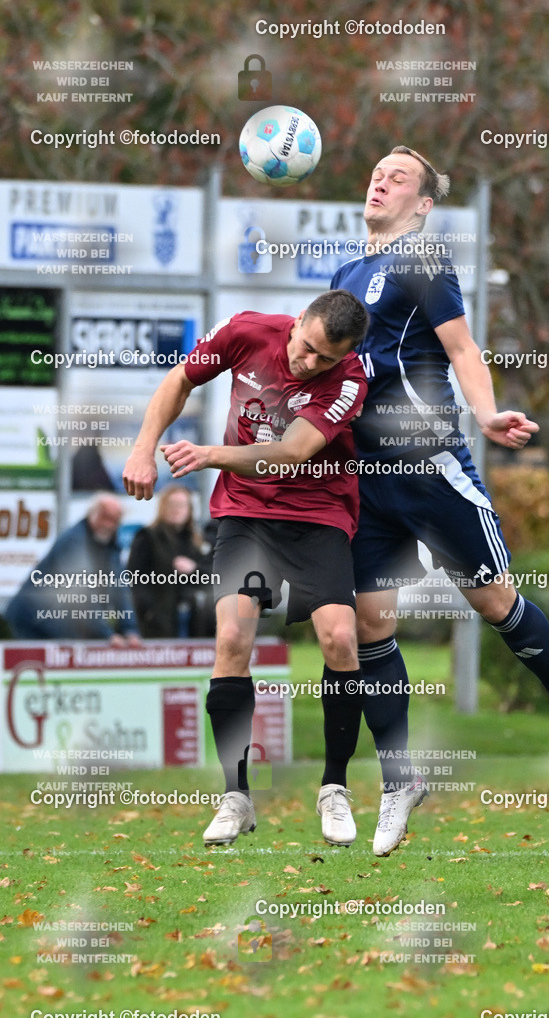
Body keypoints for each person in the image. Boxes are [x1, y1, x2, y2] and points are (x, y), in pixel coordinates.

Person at [331, 146, 549, 856]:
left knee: (494, 604)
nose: (380, 180)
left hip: (430, 470)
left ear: (423, 205)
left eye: (398, 177)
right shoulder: (345, 273)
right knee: (369, 625)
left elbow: (461, 349)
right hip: (368, 478)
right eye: (377, 172)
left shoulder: (422, 260)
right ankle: (399, 781)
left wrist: (484, 415)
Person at [122, 290, 370, 848]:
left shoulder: (349, 380)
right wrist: (143, 448)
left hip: (317, 515)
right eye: (307, 348)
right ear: (298, 321)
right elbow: (179, 380)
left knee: (339, 638)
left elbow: (292, 452)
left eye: (325, 359)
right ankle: (236, 797)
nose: (310, 363)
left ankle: (334, 788)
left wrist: (209, 455)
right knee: (232, 638)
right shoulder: (246, 331)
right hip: (247, 514)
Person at [4, 494, 141, 645]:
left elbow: (120, 589)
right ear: (92, 514)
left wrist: (130, 630)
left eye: (114, 520)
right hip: (34, 620)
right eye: (105, 517)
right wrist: (106, 635)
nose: (108, 524)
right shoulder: (73, 541)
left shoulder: (111, 546)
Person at [127, 485, 214, 637]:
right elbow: (134, 578)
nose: (176, 510)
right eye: (172, 504)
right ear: (163, 507)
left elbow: (213, 576)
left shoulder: (198, 542)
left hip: (194, 620)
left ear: (189, 509)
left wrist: (194, 569)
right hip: (159, 621)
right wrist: (150, 611)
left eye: (181, 505)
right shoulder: (147, 537)